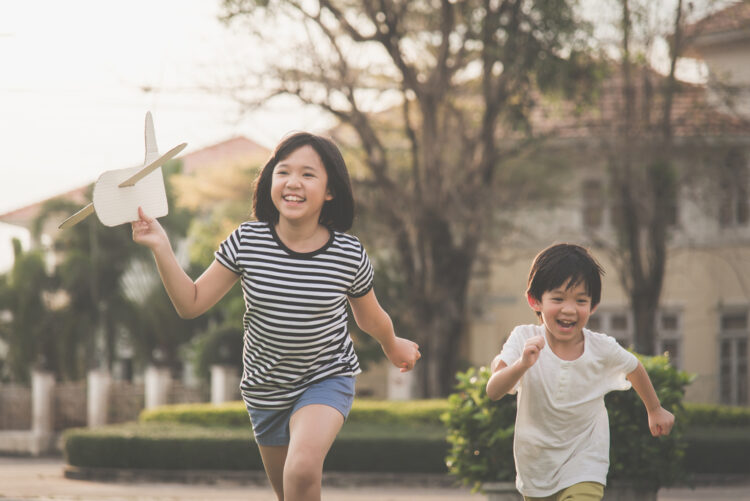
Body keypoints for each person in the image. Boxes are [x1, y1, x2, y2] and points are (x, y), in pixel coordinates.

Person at [131, 131, 421, 501]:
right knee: (289, 493)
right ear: (269, 180)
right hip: (265, 389)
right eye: (283, 171)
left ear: (330, 191)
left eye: (308, 174)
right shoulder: (247, 242)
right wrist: (161, 246)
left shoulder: (347, 253)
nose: (293, 183)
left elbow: (370, 317)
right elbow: (191, 302)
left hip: (326, 376)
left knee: (300, 472)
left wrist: (393, 345)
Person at [485, 243, 674, 501]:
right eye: (558, 298)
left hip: (585, 462)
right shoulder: (523, 339)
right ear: (535, 300)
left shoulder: (602, 348)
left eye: (581, 300)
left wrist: (654, 409)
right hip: (536, 468)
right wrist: (523, 365)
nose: (569, 309)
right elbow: (493, 390)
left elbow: (634, 367)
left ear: (593, 306)